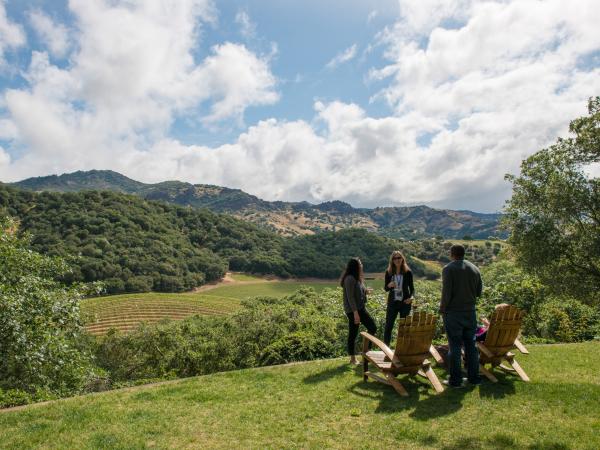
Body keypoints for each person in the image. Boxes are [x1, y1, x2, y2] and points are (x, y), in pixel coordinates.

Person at [439, 244, 483, 387]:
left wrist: (442, 308)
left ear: (452, 254)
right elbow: (478, 292)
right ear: (464, 253)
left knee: (455, 346)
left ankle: (456, 380)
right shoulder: (475, 269)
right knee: (471, 345)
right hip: (470, 312)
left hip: (453, 313)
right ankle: (474, 378)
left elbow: (446, 293)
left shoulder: (448, 269)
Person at [341, 257, 377, 365]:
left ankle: (366, 353)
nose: (361, 266)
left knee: (372, 327)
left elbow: (358, 292)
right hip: (353, 310)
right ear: (355, 266)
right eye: (360, 264)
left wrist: (365, 291)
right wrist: (355, 314)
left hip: (360, 308)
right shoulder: (349, 279)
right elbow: (350, 297)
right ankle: (352, 359)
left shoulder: (357, 278)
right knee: (353, 334)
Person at [383, 251, 415, 346]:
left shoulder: (408, 272)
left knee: (404, 327)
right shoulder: (388, 273)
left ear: (402, 259)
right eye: (395, 258)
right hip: (392, 303)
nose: (397, 260)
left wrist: (411, 298)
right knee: (388, 326)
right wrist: (389, 285)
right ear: (392, 260)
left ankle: (402, 348)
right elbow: (385, 289)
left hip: (405, 303)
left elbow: (412, 289)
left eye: (399, 258)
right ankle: (386, 349)